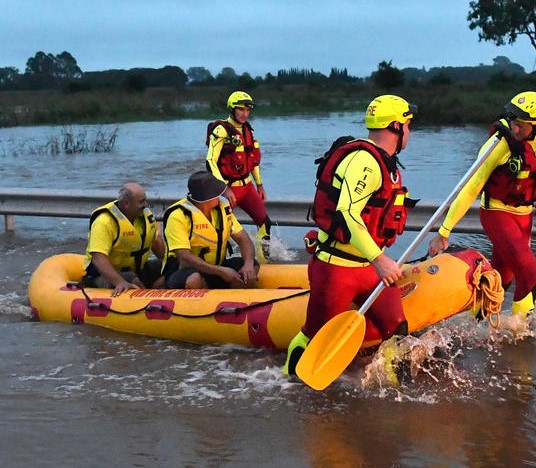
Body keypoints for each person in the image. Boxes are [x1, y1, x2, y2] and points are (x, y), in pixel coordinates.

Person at [427, 91, 536, 320]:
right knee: (531, 274)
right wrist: (444, 231)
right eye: (513, 122)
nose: (514, 128)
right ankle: (520, 336)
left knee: (501, 277)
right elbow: (471, 187)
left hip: (524, 215)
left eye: (521, 125)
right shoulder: (499, 144)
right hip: (496, 212)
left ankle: (473, 326)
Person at [283, 94, 417, 376]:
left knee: (397, 330)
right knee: (314, 335)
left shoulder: (385, 162)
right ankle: (289, 385)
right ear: (395, 126)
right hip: (336, 268)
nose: (409, 131)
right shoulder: (365, 163)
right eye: (407, 124)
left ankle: (396, 395)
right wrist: (380, 259)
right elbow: (347, 213)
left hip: (367, 268)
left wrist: (375, 261)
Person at [205, 90, 274, 260]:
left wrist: (259, 184)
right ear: (232, 109)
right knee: (221, 228)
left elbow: (252, 161)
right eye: (241, 110)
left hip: (247, 187)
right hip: (228, 190)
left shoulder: (248, 130)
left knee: (265, 222)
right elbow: (210, 161)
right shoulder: (221, 130)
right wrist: (223, 189)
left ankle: (264, 261)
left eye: (248, 110)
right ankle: (221, 261)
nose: (245, 114)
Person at [161, 170, 259, 289]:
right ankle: (202, 304)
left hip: (217, 267)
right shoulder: (178, 216)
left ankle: (234, 302)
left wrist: (248, 264)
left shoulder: (223, 209)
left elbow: (243, 238)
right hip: (184, 271)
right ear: (207, 197)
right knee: (194, 279)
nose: (221, 195)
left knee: (252, 266)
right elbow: (184, 257)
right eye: (218, 193)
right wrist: (221, 271)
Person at [82, 182, 166, 296]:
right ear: (126, 203)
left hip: (138, 269)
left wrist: (171, 263)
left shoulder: (145, 215)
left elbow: (156, 245)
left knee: (167, 267)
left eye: (145, 200)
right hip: (103, 275)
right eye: (141, 201)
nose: (146, 205)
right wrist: (120, 282)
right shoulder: (104, 221)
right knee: (131, 277)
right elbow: (98, 259)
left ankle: (161, 296)